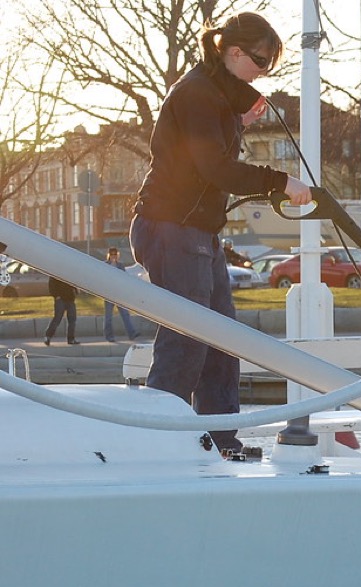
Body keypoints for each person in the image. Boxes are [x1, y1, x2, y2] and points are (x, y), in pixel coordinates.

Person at [130, 11, 312, 453]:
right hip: (172, 227)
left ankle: (220, 439)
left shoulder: (213, 95)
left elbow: (209, 155)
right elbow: (214, 168)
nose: (264, 72)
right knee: (187, 339)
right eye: (261, 61)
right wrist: (279, 181)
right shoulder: (197, 94)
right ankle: (163, 444)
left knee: (221, 341)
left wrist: (239, 120)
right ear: (233, 52)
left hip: (197, 232)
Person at [103, 247, 140, 343]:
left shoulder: (120, 266)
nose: (113, 256)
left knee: (125, 314)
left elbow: (124, 278)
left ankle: (132, 333)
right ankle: (109, 336)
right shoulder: (105, 265)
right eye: (112, 254)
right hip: (109, 295)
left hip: (119, 294)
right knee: (108, 317)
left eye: (115, 254)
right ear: (109, 255)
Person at [44, 276, 79, 346]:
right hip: (60, 299)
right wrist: (56, 296)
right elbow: (51, 284)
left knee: (72, 320)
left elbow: (73, 282)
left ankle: (71, 338)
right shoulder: (55, 272)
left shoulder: (69, 273)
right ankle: (48, 337)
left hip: (70, 298)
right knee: (57, 318)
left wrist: (75, 291)